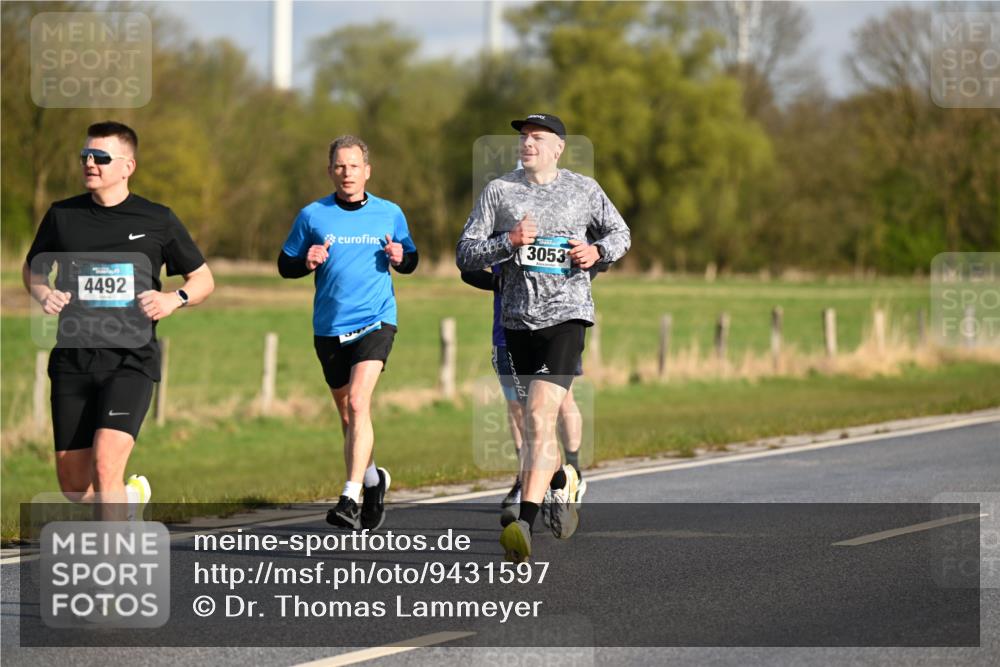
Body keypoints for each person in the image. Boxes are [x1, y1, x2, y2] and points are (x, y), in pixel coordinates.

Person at [457, 113, 630, 562]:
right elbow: (465, 253)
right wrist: (509, 242)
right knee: (534, 423)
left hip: (568, 316)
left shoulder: (583, 189)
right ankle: (561, 480)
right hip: (517, 321)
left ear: (558, 148)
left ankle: (524, 524)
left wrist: (596, 251)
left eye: (537, 137)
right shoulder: (499, 191)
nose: (527, 143)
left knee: (538, 415)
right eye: (523, 137)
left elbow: (620, 233)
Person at [23, 121, 214, 520]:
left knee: (106, 464)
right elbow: (33, 270)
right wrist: (44, 293)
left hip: (131, 360)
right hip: (73, 359)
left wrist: (174, 298)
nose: (90, 163)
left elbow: (202, 279)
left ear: (128, 166)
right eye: (85, 156)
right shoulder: (63, 216)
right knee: (75, 486)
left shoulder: (157, 219)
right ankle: (129, 498)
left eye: (101, 157)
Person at [278, 135, 417, 532]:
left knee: (358, 402)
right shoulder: (312, 215)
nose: (347, 172)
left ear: (367, 171)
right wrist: (306, 261)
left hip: (376, 319)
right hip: (329, 326)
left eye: (354, 166)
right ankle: (373, 480)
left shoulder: (389, 213)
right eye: (339, 166)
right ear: (330, 171)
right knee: (347, 413)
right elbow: (285, 264)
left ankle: (349, 497)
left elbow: (411, 258)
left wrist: (400, 257)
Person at [459, 266, 589, 528]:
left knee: (556, 405)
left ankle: (572, 470)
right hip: (510, 333)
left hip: (560, 325)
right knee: (524, 414)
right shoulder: (502, 238)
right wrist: (501, 282)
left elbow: (601, 256)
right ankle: (545, 478)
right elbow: (468, 264)